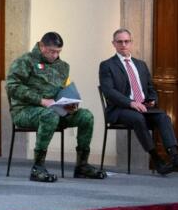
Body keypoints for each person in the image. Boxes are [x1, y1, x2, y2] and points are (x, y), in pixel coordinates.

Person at [7, 32, 106, 182]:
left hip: (56, 110)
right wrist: (41, 100)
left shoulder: (63, 67)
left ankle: (82, 165)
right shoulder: (25, 61)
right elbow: (12, 87)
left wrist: (70, 103)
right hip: (25, 111)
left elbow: (64, 88)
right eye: (51, 51)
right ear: (41, 46)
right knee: (49, 115)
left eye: (58, 52)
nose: (54, 55)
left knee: (86, 116)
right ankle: (37, 167)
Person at [98, 28, 178, 175]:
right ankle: (157, 160)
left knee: (163, 116)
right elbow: (109, 91)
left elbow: (150, 87)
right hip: (120, 110)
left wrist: (152, 100)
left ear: (131, 43)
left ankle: (174, 155)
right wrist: (131, 103)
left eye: (126, 41)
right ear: (114, 44)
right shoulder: (107, 65)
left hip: (144, 107)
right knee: (138, 118)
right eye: (120, 42)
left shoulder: (140, 64)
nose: (123, 44)